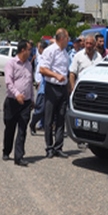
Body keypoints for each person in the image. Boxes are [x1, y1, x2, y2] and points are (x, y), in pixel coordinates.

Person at [38, 28, 71, 158]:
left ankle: (58, 146)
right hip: (52, 87)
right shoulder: (50, 51)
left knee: (61, 117)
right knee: (49, 118)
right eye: (67, 38)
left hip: (63, 88)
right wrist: (56, 75)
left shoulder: (65, 53)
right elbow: (42, 69)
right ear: (62, 38)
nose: (69, 41)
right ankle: (49, 147)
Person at [2, 40, 34, 166]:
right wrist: (17, 95)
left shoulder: (29, 65)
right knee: (10, 128)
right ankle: (6, 151)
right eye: (29, 49)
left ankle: (19, 157)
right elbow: (8, 82)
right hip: (12, 102)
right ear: (22, 50)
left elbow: (30, 83)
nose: (30, 52)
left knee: (22, 129)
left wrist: (32, 98)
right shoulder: (11, 63)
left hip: (25, 103)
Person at [69, 34, 102, 150]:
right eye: (87, 43)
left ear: (94, 45)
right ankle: (81, 138)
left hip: (95, 92)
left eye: (91, 44)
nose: (88, 46)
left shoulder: (99, 57)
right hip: (82, 91)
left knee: (93, 116)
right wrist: (73, 89)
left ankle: (92, 139)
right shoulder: (78, 56)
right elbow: (72, 74)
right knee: (82, 116)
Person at [30, 39, 47, 135]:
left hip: (48, 88)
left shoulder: (46, 57)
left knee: (47, 110)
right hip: (43, 87)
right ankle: (33, 123)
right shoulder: (41, 57)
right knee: (40, 109)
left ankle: (44, 125)